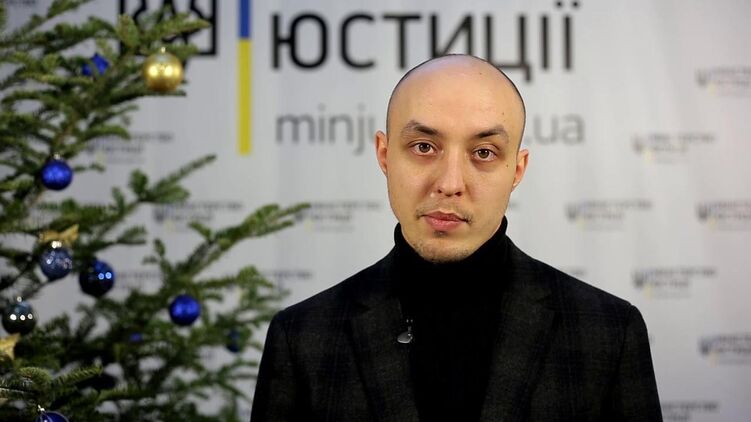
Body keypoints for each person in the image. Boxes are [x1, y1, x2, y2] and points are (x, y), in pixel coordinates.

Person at [250, 54, 662, 421]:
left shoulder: (609, 331)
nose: (449, 184)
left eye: (483, 153)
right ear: (384, 155)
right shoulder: (302, 337)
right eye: (424, 147)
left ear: (517, 171)